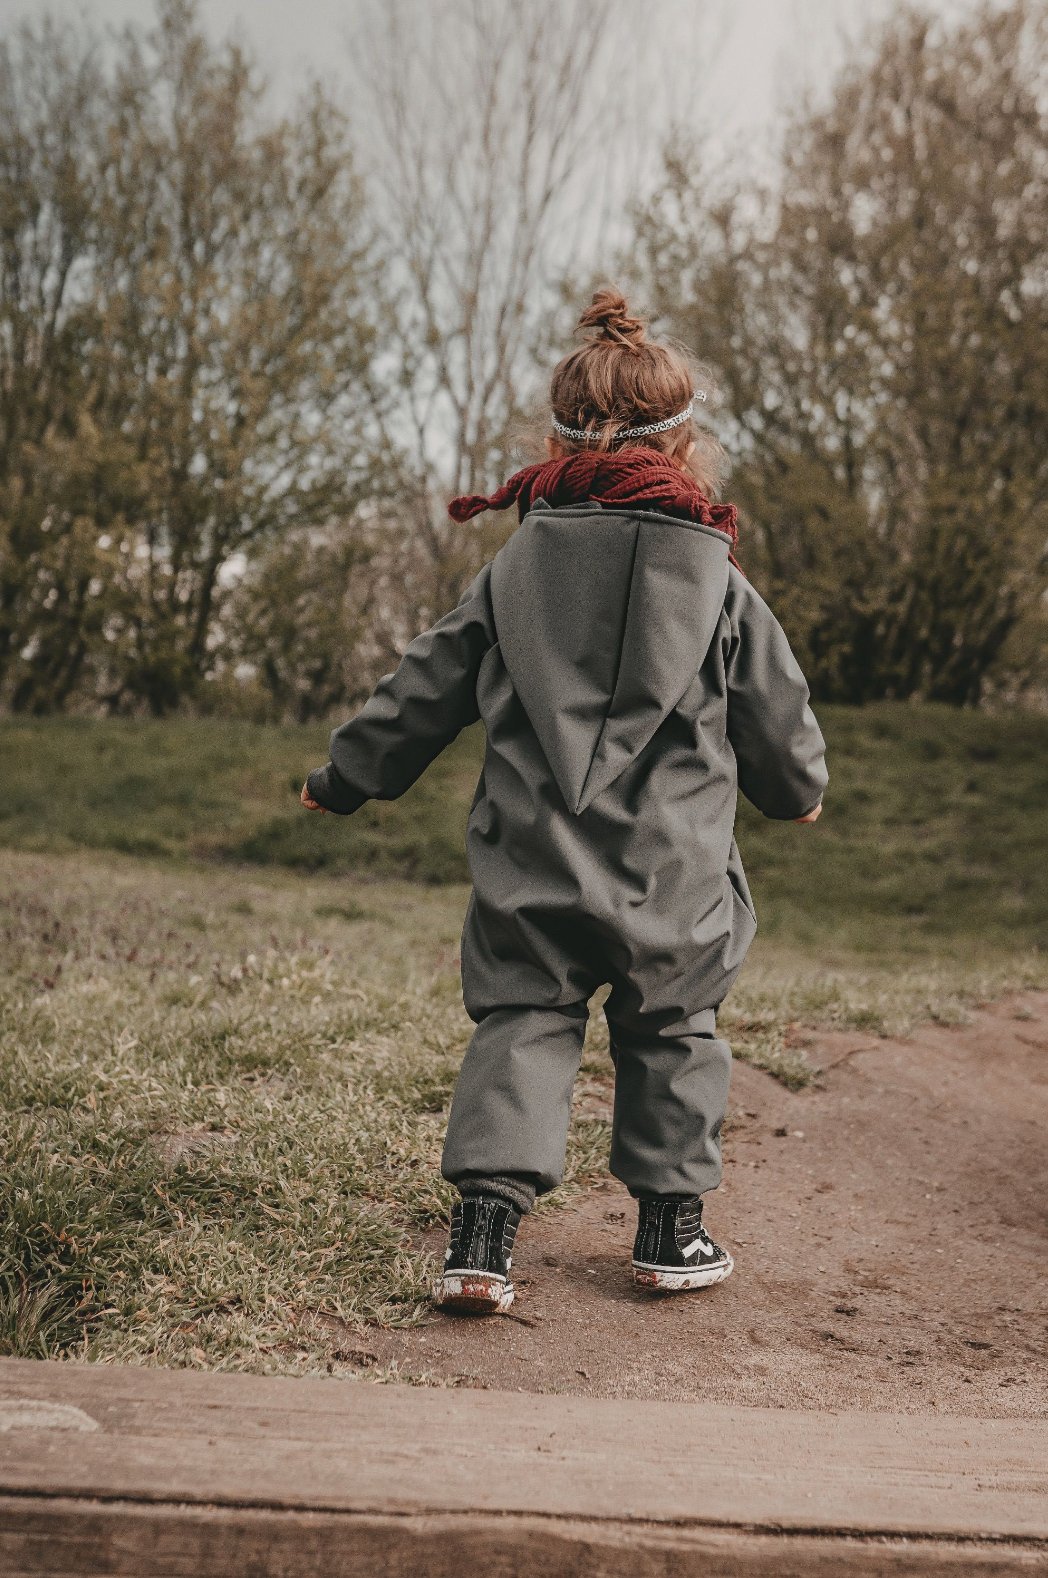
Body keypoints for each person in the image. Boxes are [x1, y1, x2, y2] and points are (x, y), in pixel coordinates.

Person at [302, 287, 827, 1315]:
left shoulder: (512, 574)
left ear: (553, 444)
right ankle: (670, 1233)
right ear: (686, 450)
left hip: (534, 860)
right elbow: (776, 709)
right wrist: (795, 789)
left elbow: (422, 687)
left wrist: (343, 779)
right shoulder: (721, 586)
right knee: (675, 1029)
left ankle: (483, 1238)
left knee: (522, 1021)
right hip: (671, 875)